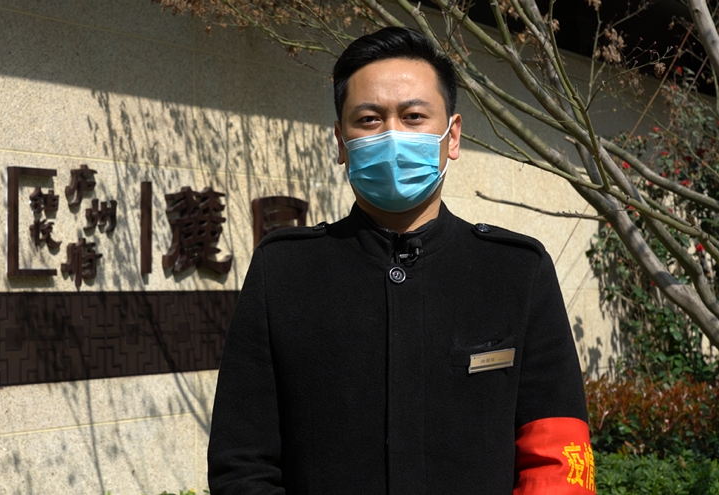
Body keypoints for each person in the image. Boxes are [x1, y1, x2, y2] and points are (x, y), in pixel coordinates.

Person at [207, 27, 594, 494]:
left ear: (452, 136)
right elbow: (241, 464)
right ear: (340, 142)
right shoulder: (285, 272)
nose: (392, 135)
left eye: (413, 116)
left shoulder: (516, 271)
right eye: (369, 119)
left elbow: (555, 456)